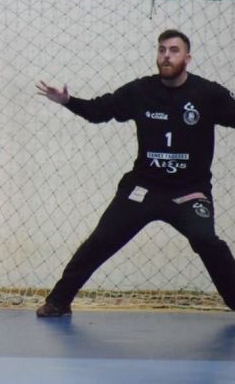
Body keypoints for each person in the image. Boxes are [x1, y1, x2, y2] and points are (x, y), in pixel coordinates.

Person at [35, 29, 235, 317]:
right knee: (100, 240)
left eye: (174, 50)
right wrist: (68, 101)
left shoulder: (208, 94)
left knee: (207, 241)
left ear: (187, 58)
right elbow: (98, 111)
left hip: (189, 192)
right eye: (162, 49)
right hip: (143, 188)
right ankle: (58, 301)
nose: (166, 56)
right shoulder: (140, 91)